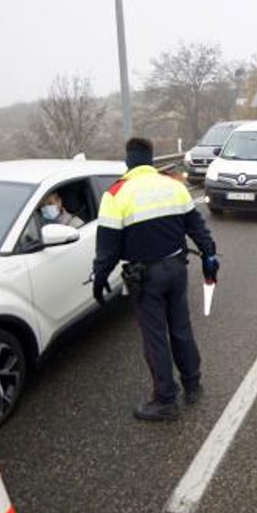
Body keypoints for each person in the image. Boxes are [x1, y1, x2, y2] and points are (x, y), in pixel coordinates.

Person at [92, 137, 219, 421]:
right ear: (151, 159)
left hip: (145, 277)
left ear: (128, 161)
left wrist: (99, 280)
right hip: (176, 269)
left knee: (155, 337)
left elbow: (107, 250)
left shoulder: (116, 195)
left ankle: (165, 400)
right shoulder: (173, 186)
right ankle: (193, 384)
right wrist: (210, 256)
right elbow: (198, 228)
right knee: (181, 328)